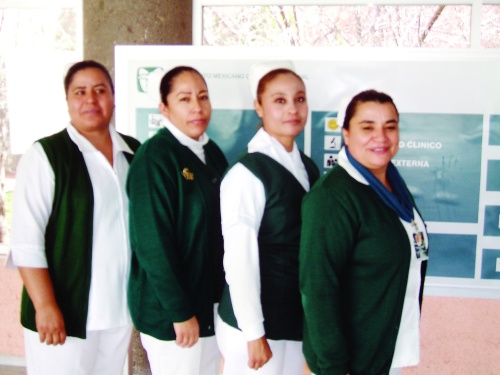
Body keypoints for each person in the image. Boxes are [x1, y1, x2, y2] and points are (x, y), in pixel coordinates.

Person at [8, 60, 140, 375]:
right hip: (65, 313)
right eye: (80, 92)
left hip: (119, 311)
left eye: (100, 91)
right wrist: (45, 306)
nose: (91, 100)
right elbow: (27, 242)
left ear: (113, 97)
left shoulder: (134, 153)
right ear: (67, 100)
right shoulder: (47, 155)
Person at [300, 90, 429, 375]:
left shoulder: (392, 184)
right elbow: (318, 289)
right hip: (350, 364)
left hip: (383, 352)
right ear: (346, 134)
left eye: (390, 127)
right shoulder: (332, 198)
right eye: (367, 127)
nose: (381, 137)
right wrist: (334, 367)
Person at [216, 61, 320, 375]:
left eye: (299, 99)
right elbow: (239, 257)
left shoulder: (307, 168)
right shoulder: (247, 173)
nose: (292, 109)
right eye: (279, 100)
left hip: (291, 319)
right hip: (255, 328)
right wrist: (253, 332)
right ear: (258, 107)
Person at [126, 66, 228, 375]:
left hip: (209, 307)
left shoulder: (211, 152)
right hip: (174, 315)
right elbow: (152, 243)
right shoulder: (155, 156)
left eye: (203, 97)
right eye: (184, 99)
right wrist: (180, 312)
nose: (197, 107)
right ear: (164, 108)